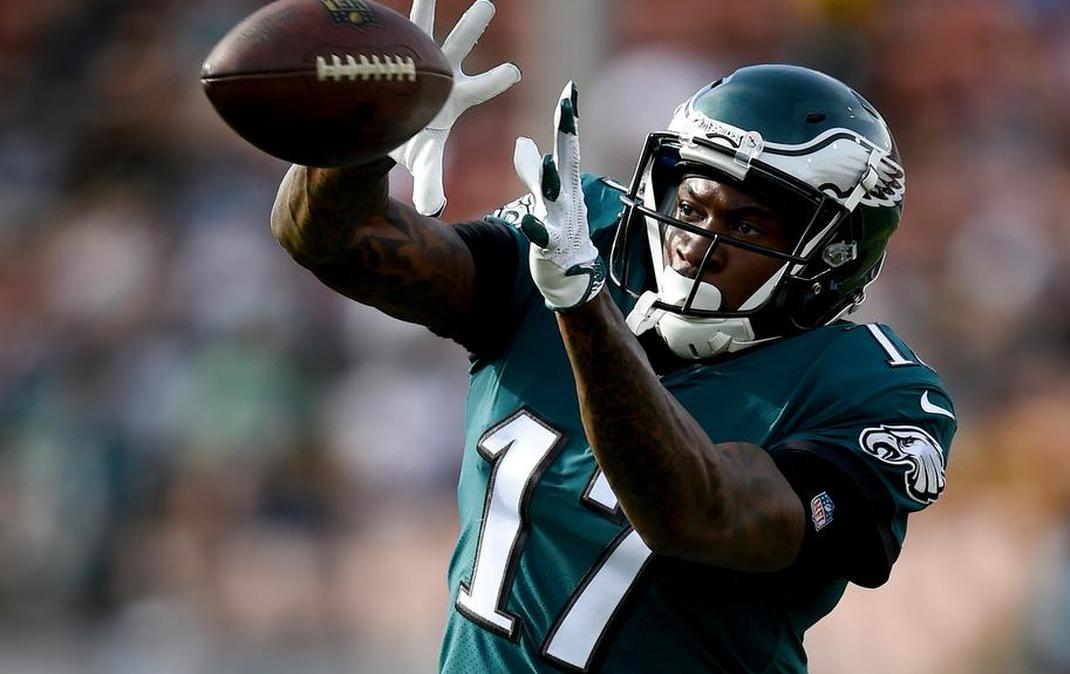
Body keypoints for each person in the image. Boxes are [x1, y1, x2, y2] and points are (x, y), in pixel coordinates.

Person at [270, 1, 955, 671]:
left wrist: (581, 303)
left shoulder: (874, 392)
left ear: (831, 258)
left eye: (746, 227)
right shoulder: (587, 232)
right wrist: (363, 134)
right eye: (690, 206)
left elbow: (697, 513)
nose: (696, 244)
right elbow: (333, 241)